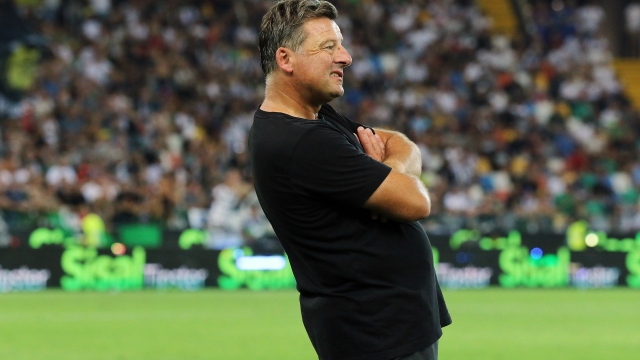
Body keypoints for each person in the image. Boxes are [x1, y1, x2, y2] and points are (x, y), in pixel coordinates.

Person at [248, 1, 451, 359]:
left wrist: (389, 172)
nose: (345, 57)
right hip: (375, 335)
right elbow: (417, 202)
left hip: (383, 329)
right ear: (286, 59)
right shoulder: (302, 141)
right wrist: (393, 178)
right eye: (329, 47)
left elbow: (402, 144)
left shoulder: (315, 118)